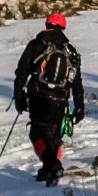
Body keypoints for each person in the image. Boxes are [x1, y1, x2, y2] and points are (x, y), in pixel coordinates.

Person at [11, 13, 86, 185]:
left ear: (47, 24)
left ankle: (53, 165)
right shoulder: (71, 51)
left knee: (37, 132)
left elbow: (22, 72)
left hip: (38, 97)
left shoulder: (37, 44)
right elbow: (76, 82)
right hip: (61, 100)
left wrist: (19, 96)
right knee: (54, 137)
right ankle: (47, 172)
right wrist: (80, 106)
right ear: (63, 27)